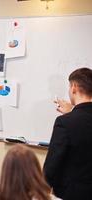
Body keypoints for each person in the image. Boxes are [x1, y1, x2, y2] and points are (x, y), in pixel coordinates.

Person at [43, 67, 92, 200]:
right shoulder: (71, 119)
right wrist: (73, 112)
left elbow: (52, 165)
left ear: (74, 87)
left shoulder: (64, 122)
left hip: (70, 194)